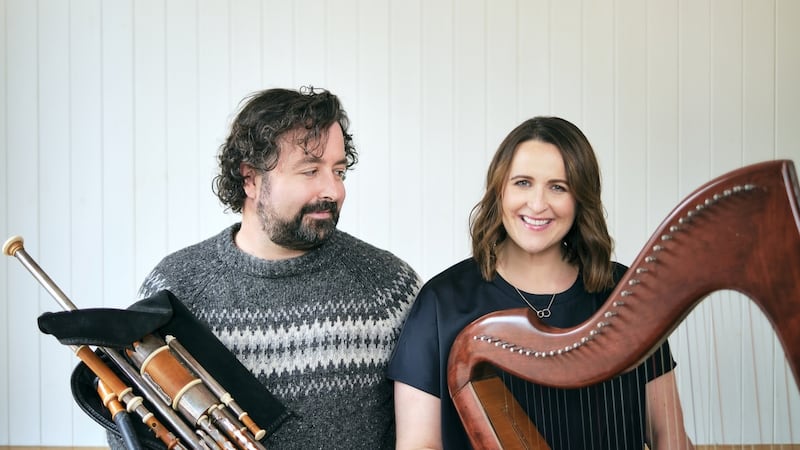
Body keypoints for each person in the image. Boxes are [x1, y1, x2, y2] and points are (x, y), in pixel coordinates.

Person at [109, 86, 421, 449]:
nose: (333, 190)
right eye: (309, 171)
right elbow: (130, 429)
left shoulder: (389, 287)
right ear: (251, 178)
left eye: (338, 171)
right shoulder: (175, 289)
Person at [387, 116, 694, 449]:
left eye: (558, 187)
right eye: (522, 182)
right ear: (499, 189)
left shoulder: (627, 296)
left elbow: (670, 439)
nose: (537, 204)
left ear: (580, 199)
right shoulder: (441, 302)